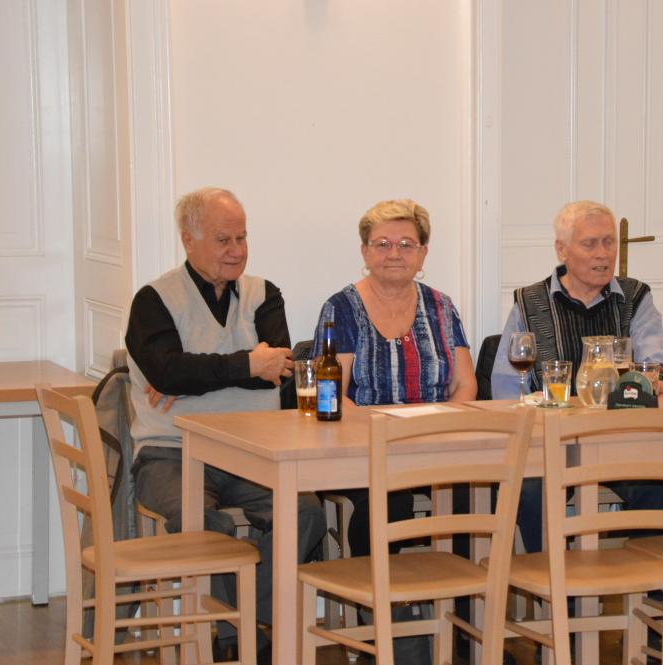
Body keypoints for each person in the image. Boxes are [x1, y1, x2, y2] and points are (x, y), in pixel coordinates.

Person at [125, 187, 326, 663]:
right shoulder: (153, 300)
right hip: (169, 452)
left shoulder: (264, 294)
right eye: (223, 240)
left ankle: (246, 620)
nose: (236, 250)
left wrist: (194, 376)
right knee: (204, 523)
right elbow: (166, 372)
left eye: (242, 238)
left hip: (252, 451)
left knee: (306, 512)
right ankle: (246, 634)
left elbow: (277, 372)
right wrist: (245, 365)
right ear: (188, 240)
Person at [311, 198, 477, 663]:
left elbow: (465, 384)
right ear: (364, 251)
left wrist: (442, 427)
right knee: (388, 503)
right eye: (382, 243)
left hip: (436, 446)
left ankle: (464, 631)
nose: (394, 253)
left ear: (423, 253)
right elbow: (332, 392)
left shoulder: (441, 306)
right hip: (364, 450)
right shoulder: (341, 308)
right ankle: (389, 631)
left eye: (407, 244)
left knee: (475, 502)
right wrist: (382, 431)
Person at [490, 200, 663, 553]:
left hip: (620, 442)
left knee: (662, 483)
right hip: (549, 446)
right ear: (562, 250)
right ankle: (555, 581)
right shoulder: (529, 302)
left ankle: (649, 577)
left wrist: (653, 380)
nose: (602, 254)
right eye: (590, 244)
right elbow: (505, 387)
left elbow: (656, 361)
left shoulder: (635, 297)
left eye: (609, 242)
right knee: (531, 491)